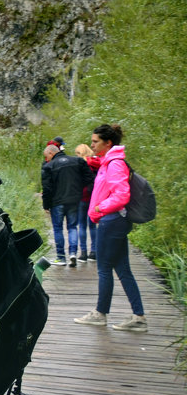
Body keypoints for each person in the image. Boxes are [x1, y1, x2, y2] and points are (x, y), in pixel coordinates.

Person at [73, 124, 146, 332]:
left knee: (104, 268)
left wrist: (98, 208)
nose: (92, 145)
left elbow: (121, 195)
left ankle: (100, 314)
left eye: (95, 141)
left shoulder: (114, 164)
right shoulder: (109, 162)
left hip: (112, 220)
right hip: (114, 220)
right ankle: (139, 317)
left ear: (108, 143)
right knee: (123, 270)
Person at [41, 143, 94, 267]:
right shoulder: (77, 161)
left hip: (56, 203)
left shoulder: (49, 166)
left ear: (51, 153)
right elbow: (89, 177)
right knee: (72, 227)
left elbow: (47, 188)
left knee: (58, 228)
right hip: (74, 201)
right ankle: (73, 254)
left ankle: (61, 257)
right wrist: (79, 189)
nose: (46, 159)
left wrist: (46, 205)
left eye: (46, 157)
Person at [74, 143, 100, 261]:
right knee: (93, 225)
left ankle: (83, 253)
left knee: (82, 225)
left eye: (77, 153)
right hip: (94, 197)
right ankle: (94, 252)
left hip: (81, 197)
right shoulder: (97, 163)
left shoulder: (79, 164)